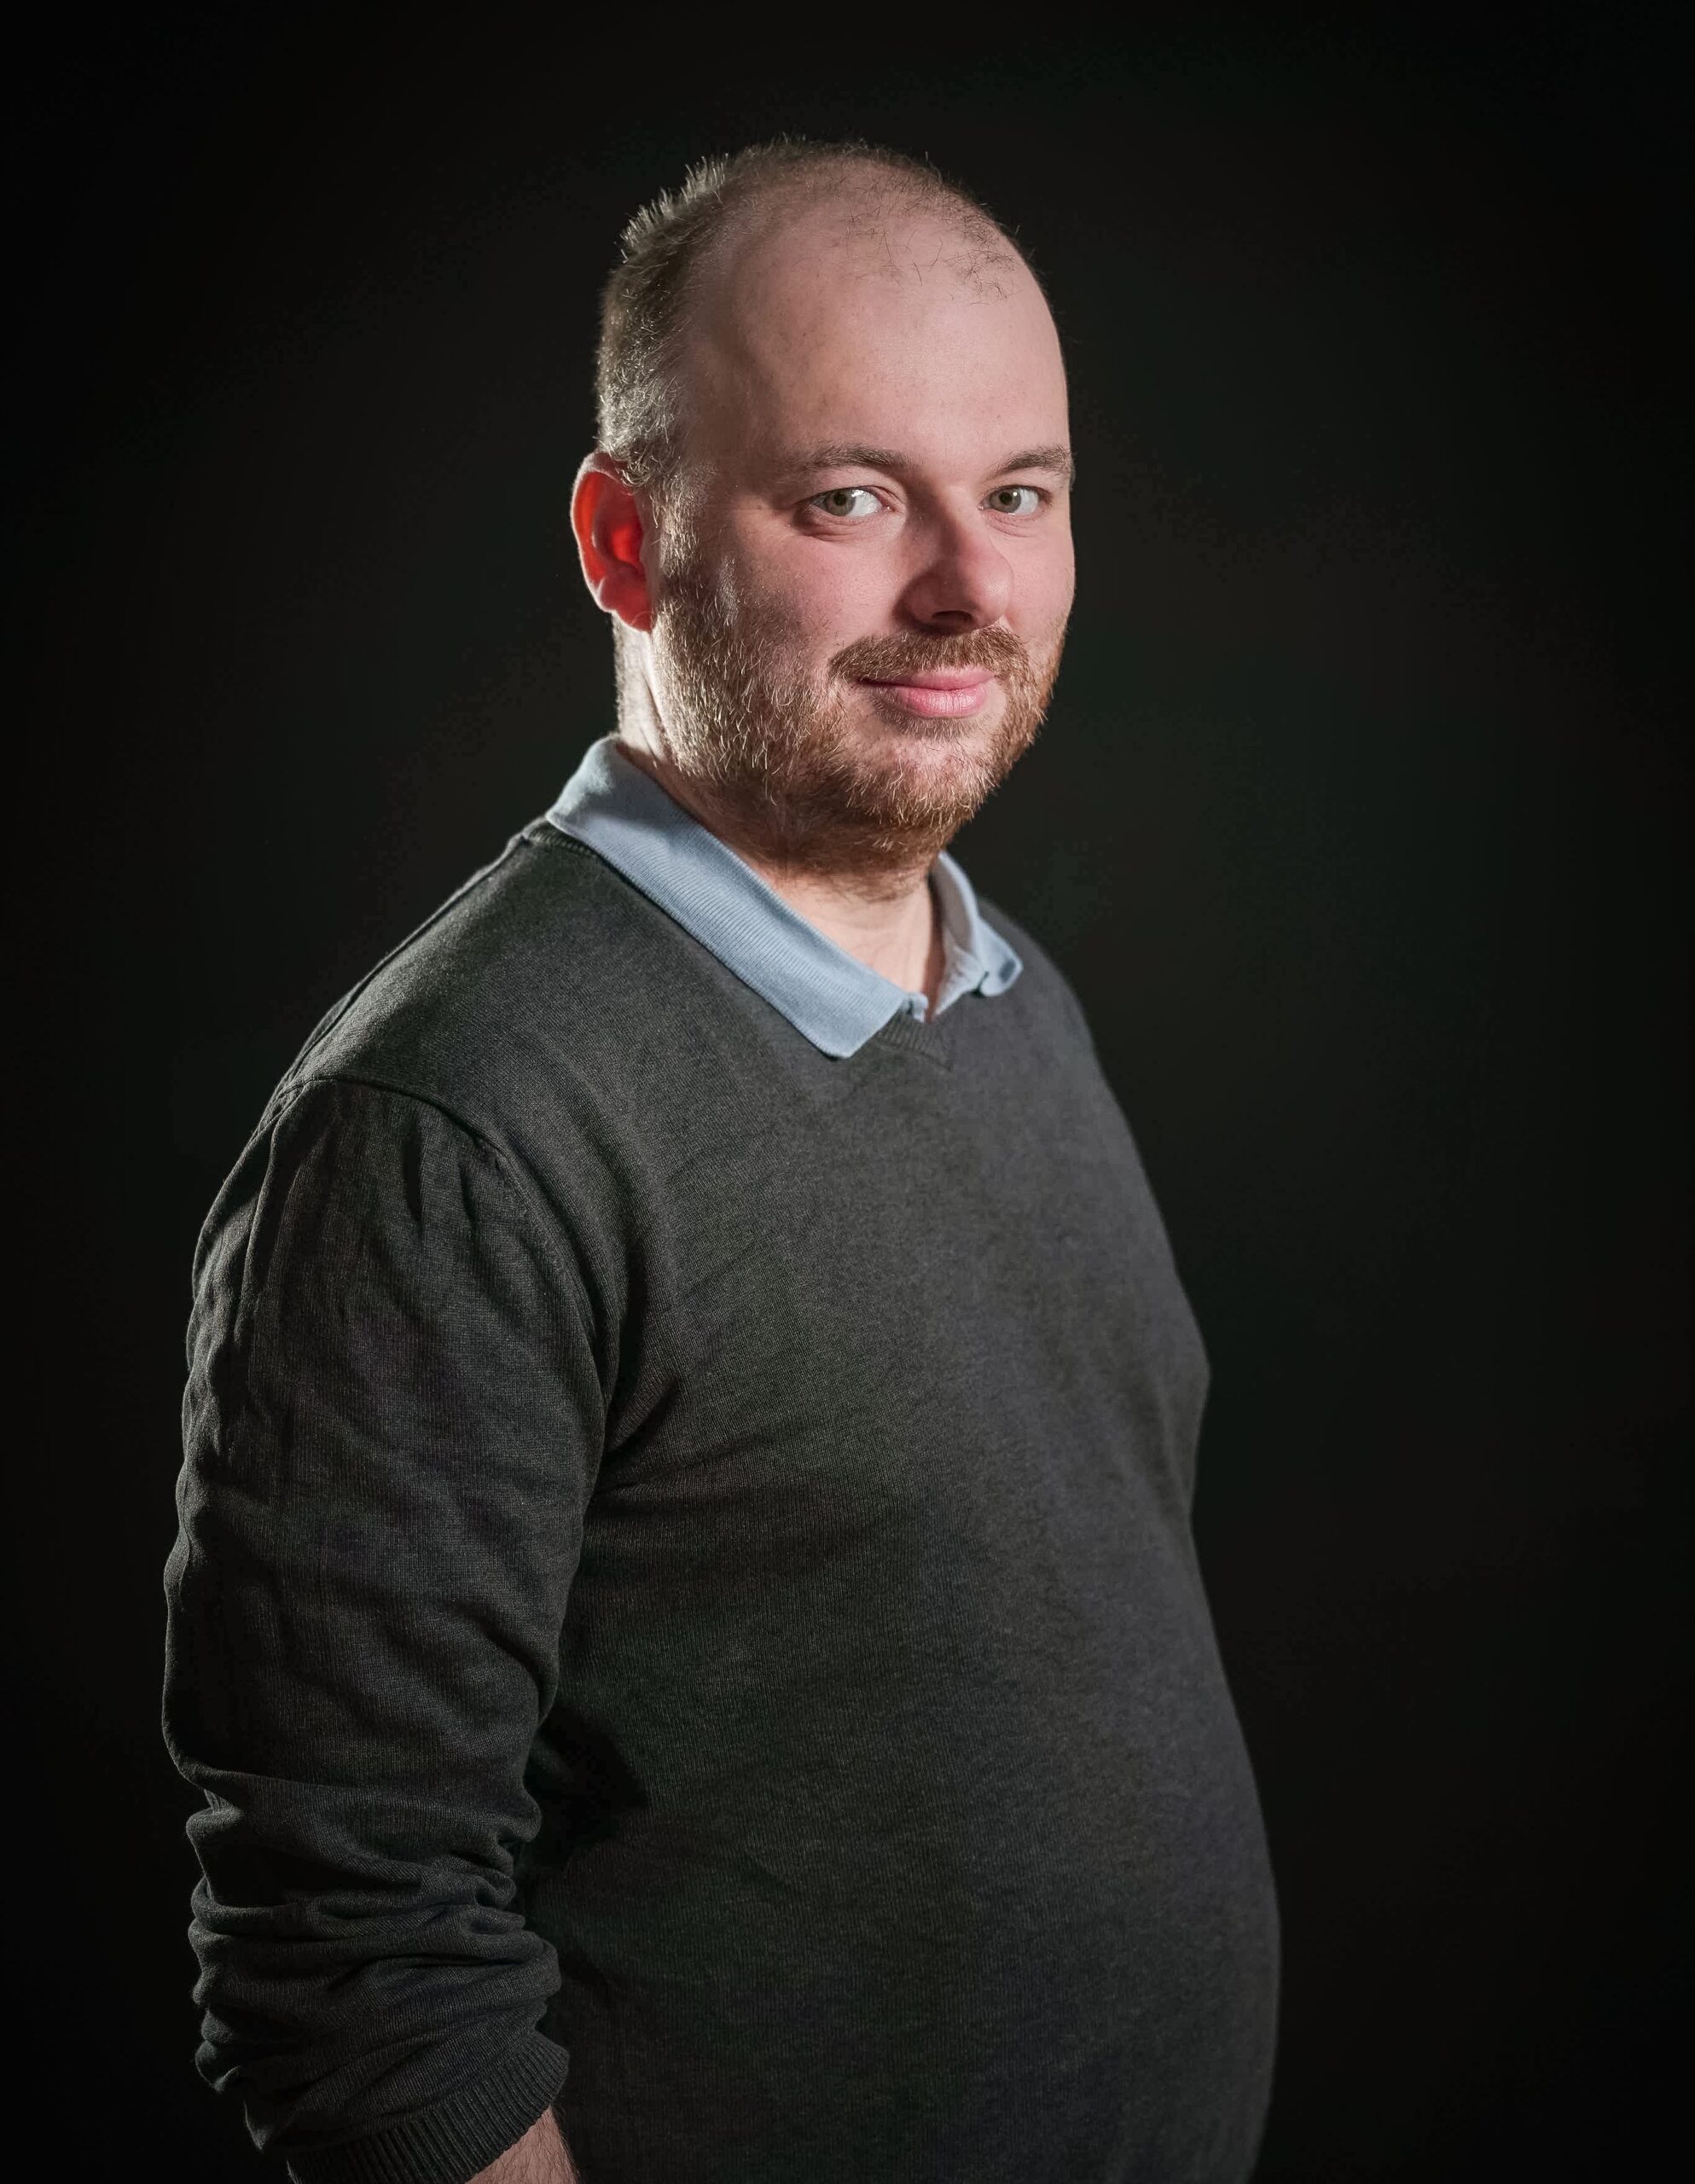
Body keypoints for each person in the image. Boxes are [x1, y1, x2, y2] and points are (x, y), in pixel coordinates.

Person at [164, 138, 1280, 2184]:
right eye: (851, 496)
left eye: (1017, 492)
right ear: (623, 542)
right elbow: (354, 1964)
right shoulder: (458, 1123)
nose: (966, 583)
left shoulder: (1001, 976)